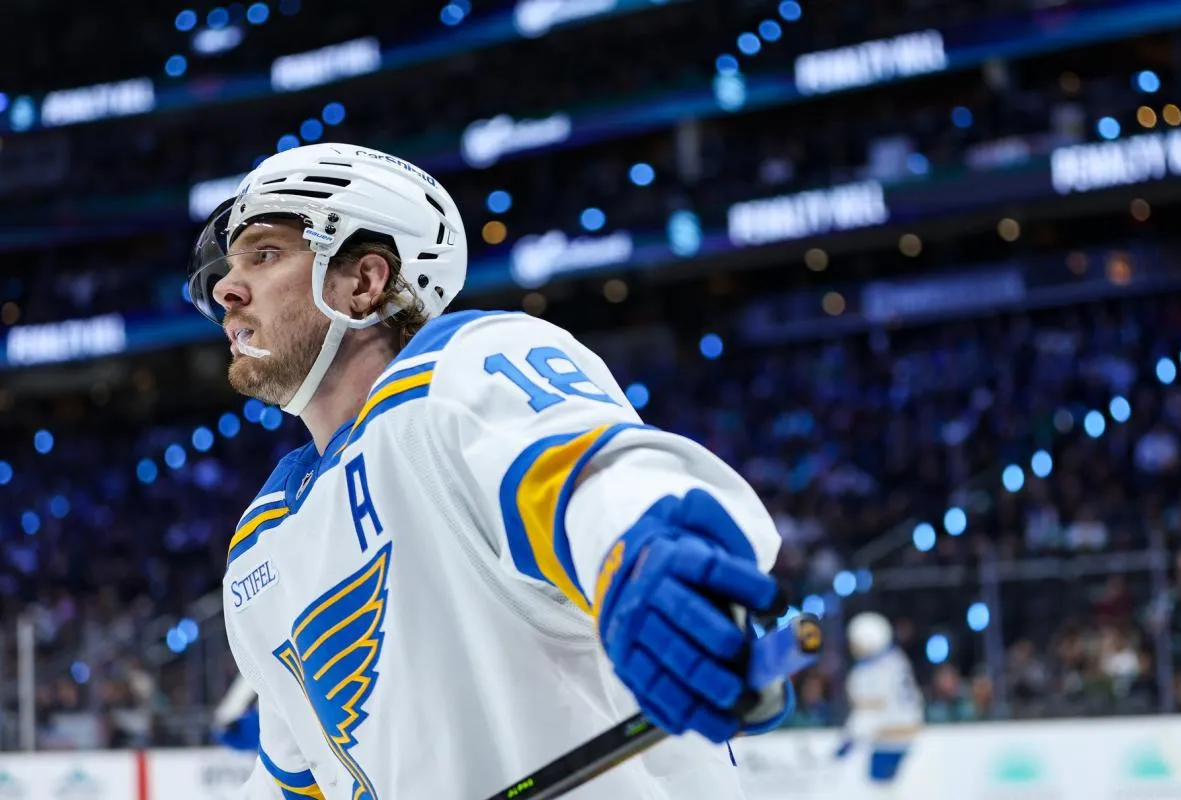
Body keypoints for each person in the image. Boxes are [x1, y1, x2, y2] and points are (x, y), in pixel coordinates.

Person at [187, 143, 794, 799]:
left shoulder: (460, 367)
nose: (226, 286)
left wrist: (642, 556)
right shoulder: (260, 543)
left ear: (362, 283)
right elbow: (303, 783)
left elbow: (596, 482)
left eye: (266, 254)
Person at [835, 612, 924, 789]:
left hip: (888, 737)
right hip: (910, 732)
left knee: (878, 790)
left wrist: (848, 740)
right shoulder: (897, 660)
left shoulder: (869, 672)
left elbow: (867, 711)